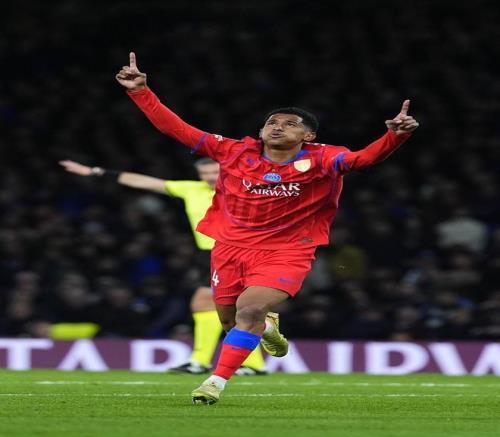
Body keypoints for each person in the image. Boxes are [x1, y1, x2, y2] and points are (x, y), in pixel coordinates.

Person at [116, 52, 419, 405]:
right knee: (231, 323)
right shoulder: (234, 151)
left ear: (309, 135)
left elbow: (362, 159)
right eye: (272, 122)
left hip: (287, 250)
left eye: (290, 124)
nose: (278, 126)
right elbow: (177, 129)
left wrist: (394, 138)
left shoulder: (322, 159)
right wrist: (139, 91)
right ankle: (268, 326)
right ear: (261, 130)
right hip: (229, 248)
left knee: (248, 311)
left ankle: (214, 382)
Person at [59, 157, 268, 375]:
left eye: (214, 172)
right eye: (204, 174)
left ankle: (206, 361)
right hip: (209, 254)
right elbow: (144, 182)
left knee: (211, 303)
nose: (209, 178)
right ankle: (242, 364)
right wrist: (96, 171)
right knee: (219, 306)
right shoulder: (191, 189)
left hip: (236, 252)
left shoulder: (244, 190)